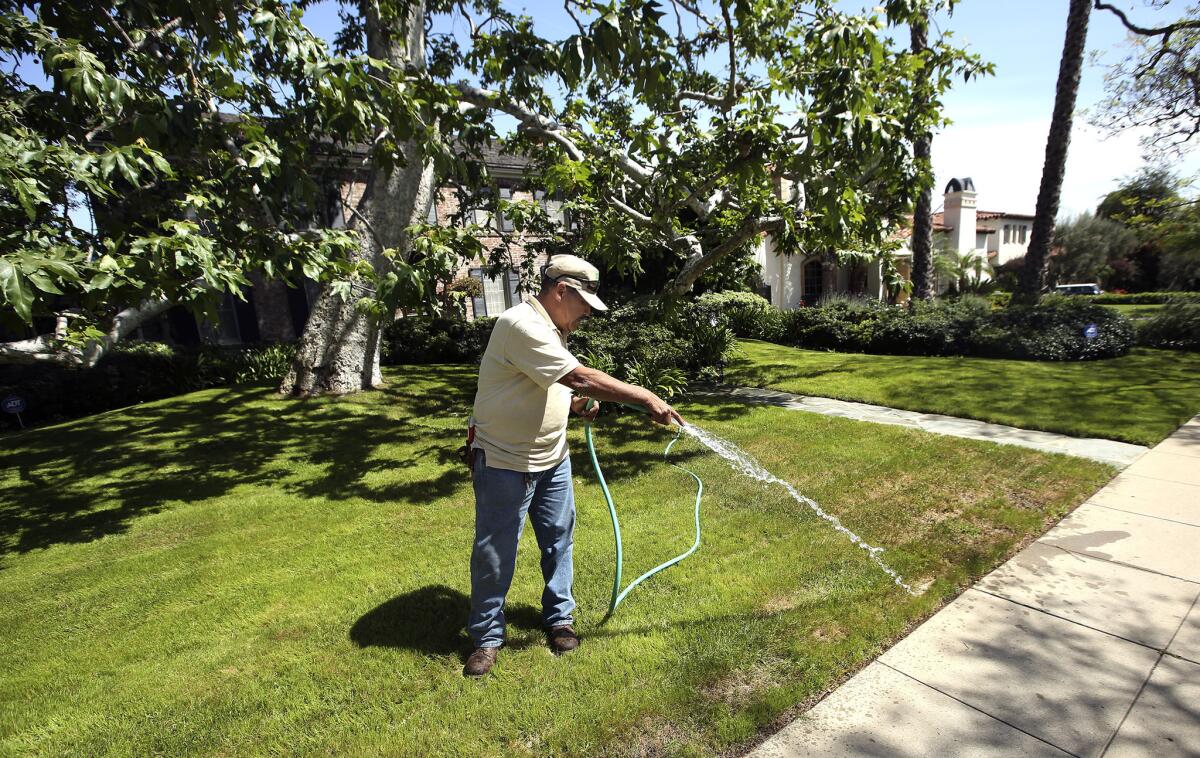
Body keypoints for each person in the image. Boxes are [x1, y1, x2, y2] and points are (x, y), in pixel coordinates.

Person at [463, 254, 685, 677]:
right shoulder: (520, 324)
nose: (587, 314)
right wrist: (645, 397)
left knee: (559, 540)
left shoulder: (552, 328)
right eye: (583, 304)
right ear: (562, 291)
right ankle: (487, 637)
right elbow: (577, 375)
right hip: (505, 461)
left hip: (553, 457)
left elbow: (544, 382)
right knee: (495, 552)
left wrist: (573, 404)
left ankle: (558, 618)